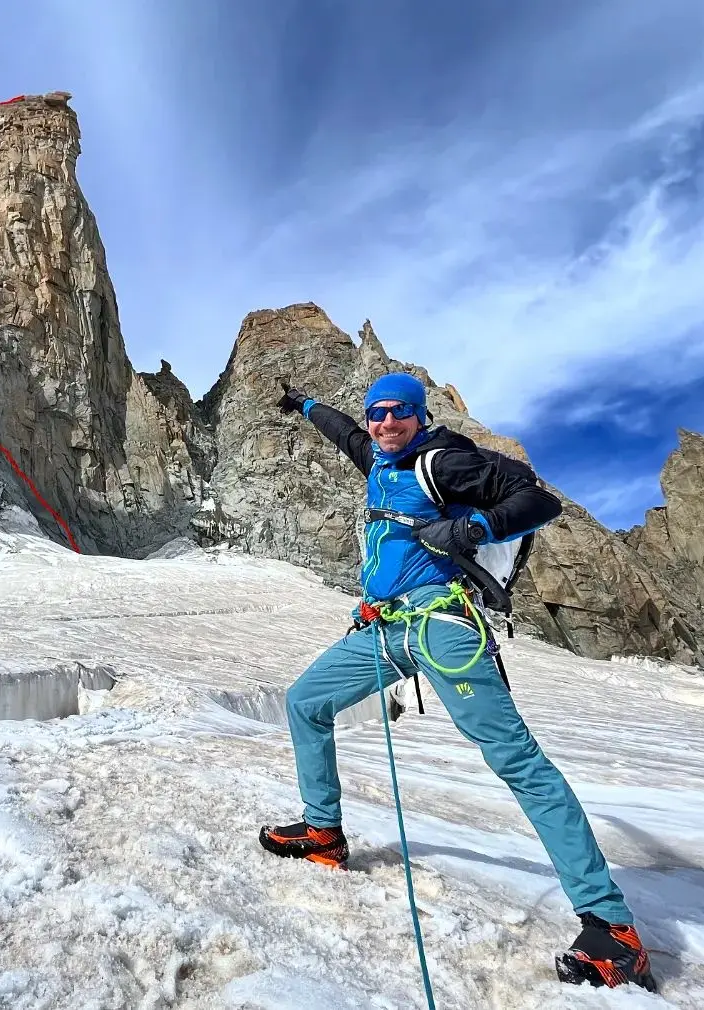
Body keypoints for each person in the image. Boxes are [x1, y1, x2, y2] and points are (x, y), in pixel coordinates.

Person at [260, 372, 657, 992]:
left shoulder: (445, 463)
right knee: (306, 701)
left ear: (419, 415)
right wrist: (305, 403)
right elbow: (340, 432)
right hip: (385, 628)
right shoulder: (374, 453)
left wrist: (470, 530)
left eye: (397, 413)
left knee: (517, 761)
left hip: (444, 627)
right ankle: (323, 832)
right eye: (376, 414)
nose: (384, 423)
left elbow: (539, 502)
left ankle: (612, 926)